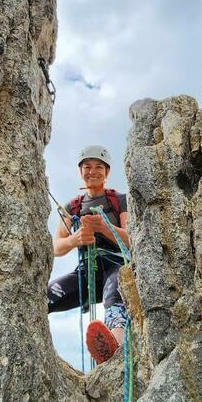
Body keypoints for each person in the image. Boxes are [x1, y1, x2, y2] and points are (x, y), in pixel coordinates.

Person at [47, 145, 130, 364]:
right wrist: (75, 239)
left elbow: (132, 239)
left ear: (107, 172)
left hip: (116, 265)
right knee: (45, 295)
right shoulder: (72, 207)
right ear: (80, 171)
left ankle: (115, 344)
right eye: (87, 166)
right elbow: (55, 246)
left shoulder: (119, 201)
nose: (92, 171)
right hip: (86, 272)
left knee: (115, 294)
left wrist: (103, 227)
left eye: (98, 167)